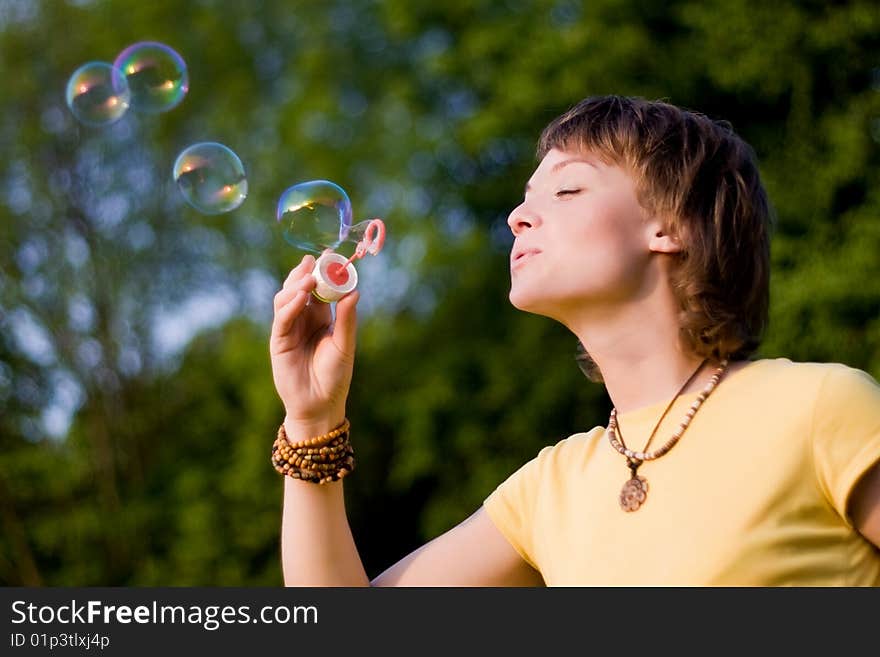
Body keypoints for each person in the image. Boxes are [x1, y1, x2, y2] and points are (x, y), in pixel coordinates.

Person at [269, 95, 880, 586]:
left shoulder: (819, 409)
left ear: (668, 227)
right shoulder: (550, 488)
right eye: (525, 200)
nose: (517, 217)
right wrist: (311, 417)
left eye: (566, 190)